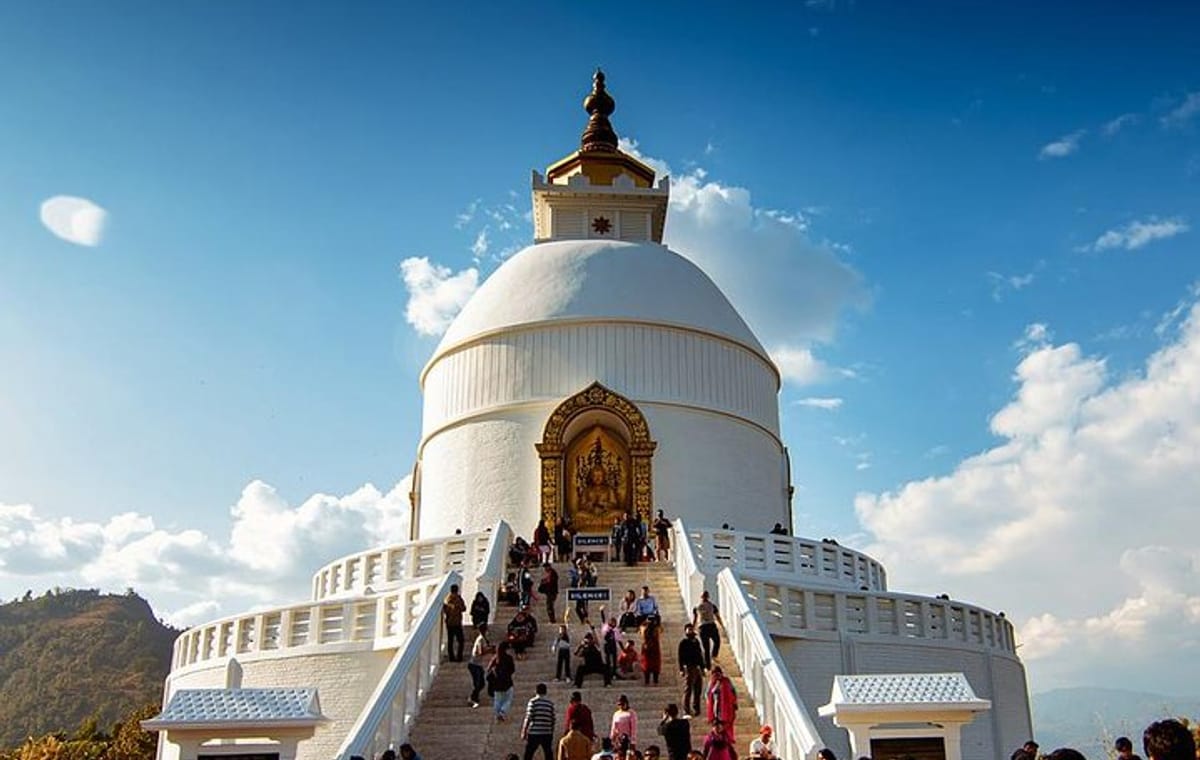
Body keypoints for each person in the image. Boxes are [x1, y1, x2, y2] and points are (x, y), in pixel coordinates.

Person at [523, 682, 557, 760]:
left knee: (528, 754)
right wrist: (551, 731)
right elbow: (553, 719)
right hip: (546, 732)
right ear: (545, 692)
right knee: (548, 754)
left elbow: (528, 717)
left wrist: (524, 730)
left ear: (536, 691)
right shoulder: (550, 703)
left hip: (534, 732)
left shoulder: (533, 702)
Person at [677, 623, 705, 717]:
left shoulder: (696, 641)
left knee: (698, 690)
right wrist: (681, 669)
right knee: (688, 690)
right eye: (689, 630)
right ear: (685, 631)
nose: (691, 631)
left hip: (697, 668)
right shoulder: (683, 643)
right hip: (689, 667)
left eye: (692, 629)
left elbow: (700, 655)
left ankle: (696, 708)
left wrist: (702, 667)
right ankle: (686, 710)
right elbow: (680, 657)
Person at [691, 590, 724, 669]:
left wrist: (693, 627)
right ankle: (713, 656)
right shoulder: (712, 606)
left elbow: (695, 619)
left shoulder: (697, 607)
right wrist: (721, 624)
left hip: (703, 627)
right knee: (716, 642)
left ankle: (709, 664)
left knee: (708, 647)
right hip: (709, 626)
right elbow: (717, 616)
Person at [705, 666, 738, 743]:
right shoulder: (712, 683)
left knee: (727, 724)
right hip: (716, 706)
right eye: (715, 674)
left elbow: (733, 692)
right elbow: (708, 694)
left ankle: (728, 739)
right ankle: (717, 738)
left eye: (718, 674)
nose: (717, 676)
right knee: (717, 724)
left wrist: (734, 702)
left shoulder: (727, 681)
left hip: (727, 707)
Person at [488, 640, 517, 722]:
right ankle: (503, 711)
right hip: (507, 682)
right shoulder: (508, 658)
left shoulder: (495, 659)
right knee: (508, 698)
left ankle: (497, 714)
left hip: (497, 683)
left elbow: (488, 669)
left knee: (497, 700)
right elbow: (512, 669)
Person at [467, 623, 495, 707]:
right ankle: (472, 698)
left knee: (481, 683)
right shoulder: (480, 639)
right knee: (478, 683)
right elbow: (480, 652)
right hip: (474, 664)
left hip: (479, 664)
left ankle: (475, 697)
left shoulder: (484, 640)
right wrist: (490, 650)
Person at [442, 583, 467, 662]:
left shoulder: (447, 599)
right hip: (454, 623)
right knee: (459, 641)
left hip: (451, 623)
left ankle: (453, 657)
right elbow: (463, 608)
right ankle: (457, 657)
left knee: (451, 641)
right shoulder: (456, 599)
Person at [640, 616, 662, 685]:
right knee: (650, 664)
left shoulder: (646, 629)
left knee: (649, 664)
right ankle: (654, 681)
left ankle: (648, 681)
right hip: (651, 647)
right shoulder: (654, 629)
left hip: (649, 646)